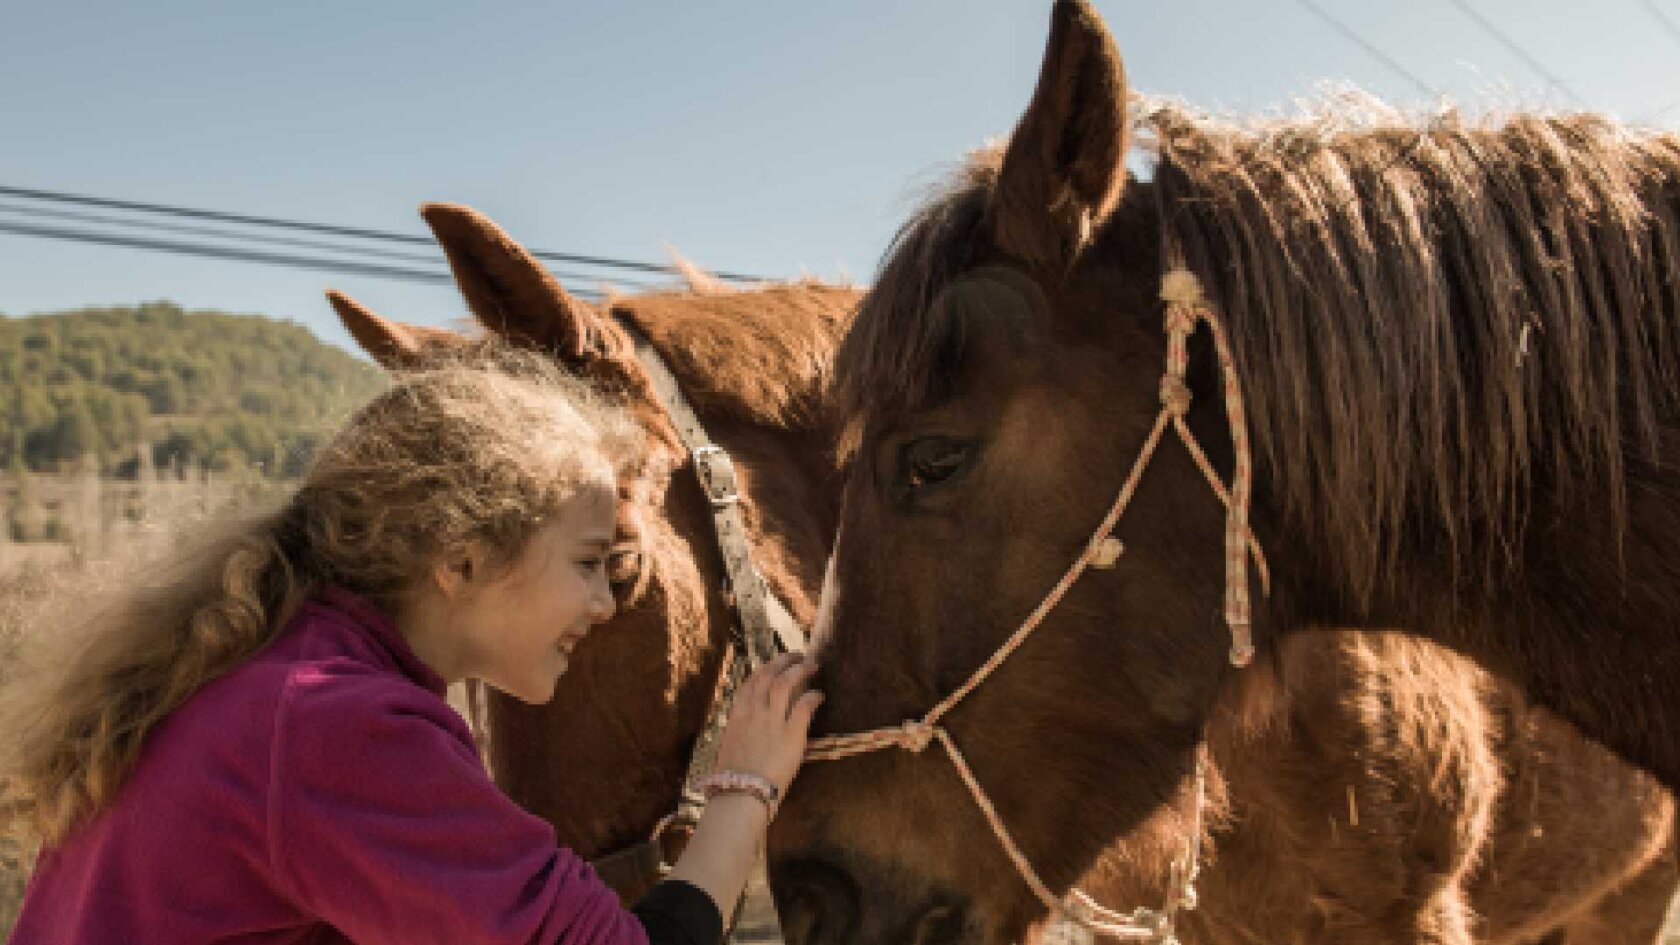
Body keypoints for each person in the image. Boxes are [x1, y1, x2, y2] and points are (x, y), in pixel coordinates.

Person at [0, 349, 822, 945]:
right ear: (461, 558)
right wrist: (745, 786)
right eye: (586, 562)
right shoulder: (336, 724)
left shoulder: (265, 678)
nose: (605, 603)